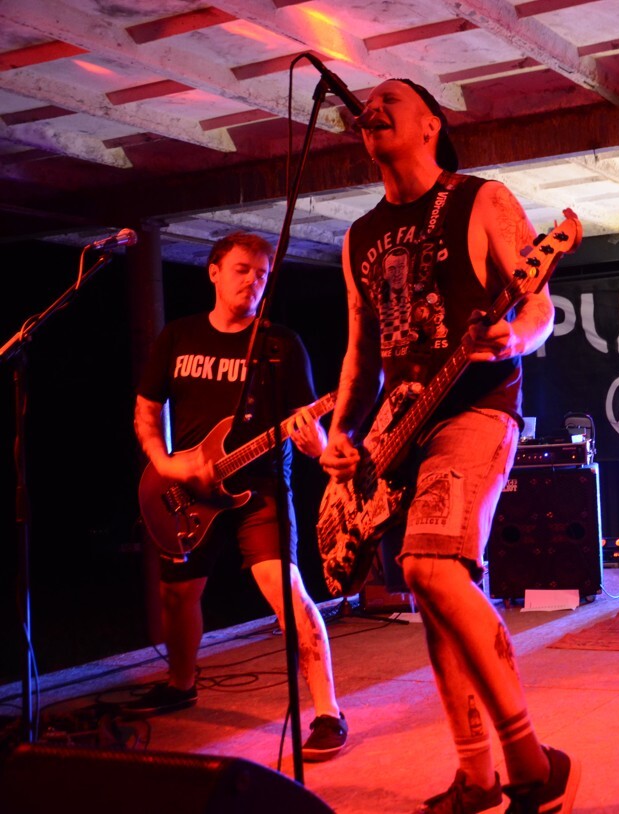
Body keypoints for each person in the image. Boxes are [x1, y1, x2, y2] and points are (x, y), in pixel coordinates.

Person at [320, 79, 578, 814]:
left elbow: (537, 303)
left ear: (431, 124)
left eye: (390, 99)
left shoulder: (479, 200)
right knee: (431, 594)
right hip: (396, 428)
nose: (370, 108)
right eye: (366, 105)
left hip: (475, 407)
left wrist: (513, 339)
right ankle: (476, 776)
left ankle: (532, 765)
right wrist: (342, 434)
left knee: (428, 566)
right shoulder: (359, 237)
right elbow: (362, 349)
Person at [130, 232, 348, 760]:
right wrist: (166, 464)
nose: (254, 281)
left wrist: (316, 442)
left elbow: (312, 429)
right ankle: (181, 684)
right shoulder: (178, 337)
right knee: (177, 595)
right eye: (243, 270)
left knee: (287, 593)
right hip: (186, 491)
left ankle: (328, 712)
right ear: (214, 272)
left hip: (260, 488)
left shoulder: (280, 344)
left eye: (262, 274)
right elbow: (146, 411)